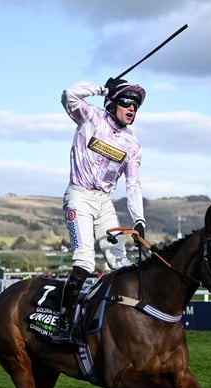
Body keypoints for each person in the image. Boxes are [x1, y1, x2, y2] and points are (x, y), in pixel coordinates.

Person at [54, 77, 148, 344]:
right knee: (84, 259)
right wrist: (102, 89)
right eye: (127, 102)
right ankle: (63, 323)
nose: (132, 109)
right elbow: (69, 94)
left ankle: (126, 326)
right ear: (112, 103)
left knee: (121, 263)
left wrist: (138, 219)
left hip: (105, 203)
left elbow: (133, 184)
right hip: (79, 197)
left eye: (136, 106)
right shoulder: (90, 117)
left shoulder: (133, 144)